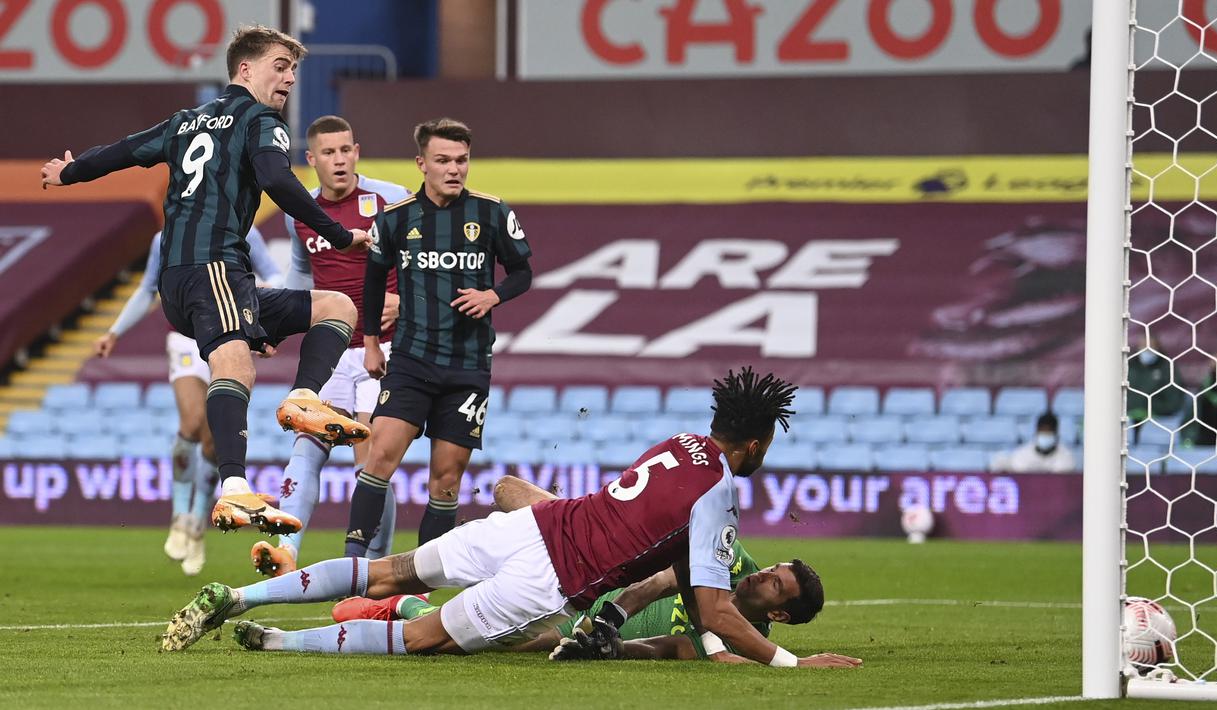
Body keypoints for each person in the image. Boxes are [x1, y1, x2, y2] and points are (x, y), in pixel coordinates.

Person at [160, 368, 847, 668]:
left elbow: (649, 538)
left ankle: (238, 595)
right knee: (430, 639)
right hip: (549, 578)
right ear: (754, 442)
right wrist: (791, 661)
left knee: (383, 570)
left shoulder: (677, 444)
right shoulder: (719, 490)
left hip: (530, 528)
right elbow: (717, 608)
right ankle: (277, 643)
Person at [40, 25, 375, 536]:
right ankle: (235, 487)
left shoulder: (184, 121)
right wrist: (335, 233)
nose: (288, 78)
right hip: (211, 265)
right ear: (246, 69)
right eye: (279, 66)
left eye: (292, 70)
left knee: (336, 307)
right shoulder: (261, 119)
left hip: (187, 277)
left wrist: (70, 173)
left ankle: (304, 395)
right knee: (234, 363)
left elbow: (123, 152)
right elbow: (276, 178)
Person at [329, 476, 850, 666]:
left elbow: (673, 648)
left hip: (575, 608)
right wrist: (616, 618)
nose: (761, 577)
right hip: (590, 569)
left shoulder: (743, 640)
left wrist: (609, 646)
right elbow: (661, 580)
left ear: (778, 614)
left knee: (519, 640)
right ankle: (558, 520)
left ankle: (404, 606)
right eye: (772, 570)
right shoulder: (733, 556)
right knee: (510, 490)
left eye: (774, 584)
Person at [342, 117, 534, 558]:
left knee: (447, 478)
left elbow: (523, 273)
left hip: (468, 367)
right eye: (443, 160)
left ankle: (423, 581)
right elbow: (373, 284)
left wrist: (493, 295)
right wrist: (371, 341)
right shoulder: (395, 219)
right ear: (421, 163)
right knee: (380, 457)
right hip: (410, 359)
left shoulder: (492, 212)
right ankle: (354, 567)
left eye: (462, 160)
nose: (454, 169)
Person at [250, 115, 407, 577]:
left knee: (370, 459)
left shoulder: (391, 199)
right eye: (329, 153)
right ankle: (286, 551)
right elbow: (301, 277)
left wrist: (408, 303)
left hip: (386, 349)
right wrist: (272, 324)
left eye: (346, 150)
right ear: (311, 159)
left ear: (356, 152)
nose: (339, 160)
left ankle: (371, 568)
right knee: (306, 446)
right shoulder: (302, 211)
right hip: (335, 351)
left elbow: (427, 261)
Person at [94, 227, 282, 575]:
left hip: (230, 338)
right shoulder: (164, 238)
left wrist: (257, 308)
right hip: (185, 340)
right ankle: (180, 516)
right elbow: (148, 289)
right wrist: (114, 331)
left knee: (213, 437)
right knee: (193, 422)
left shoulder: (243, 230)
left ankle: (197, 522)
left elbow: (275, 275)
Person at [1127, 333, 1188, 425]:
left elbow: (1174, 399)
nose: (1147, 349)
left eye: (1151, 346)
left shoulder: (1168, 368)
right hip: (1128, 418)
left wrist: (1151, 410)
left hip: (1159, 421)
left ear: (1158, 347)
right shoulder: (1129, 365)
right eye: (1143, 345)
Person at [990, 411, 1077, 473]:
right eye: (1042, 431)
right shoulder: (1022, 454)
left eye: (1049, 432)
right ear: (1036, 432)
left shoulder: (1066, 456)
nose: (1045, 435)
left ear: (1056, 434)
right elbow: (999, 464)